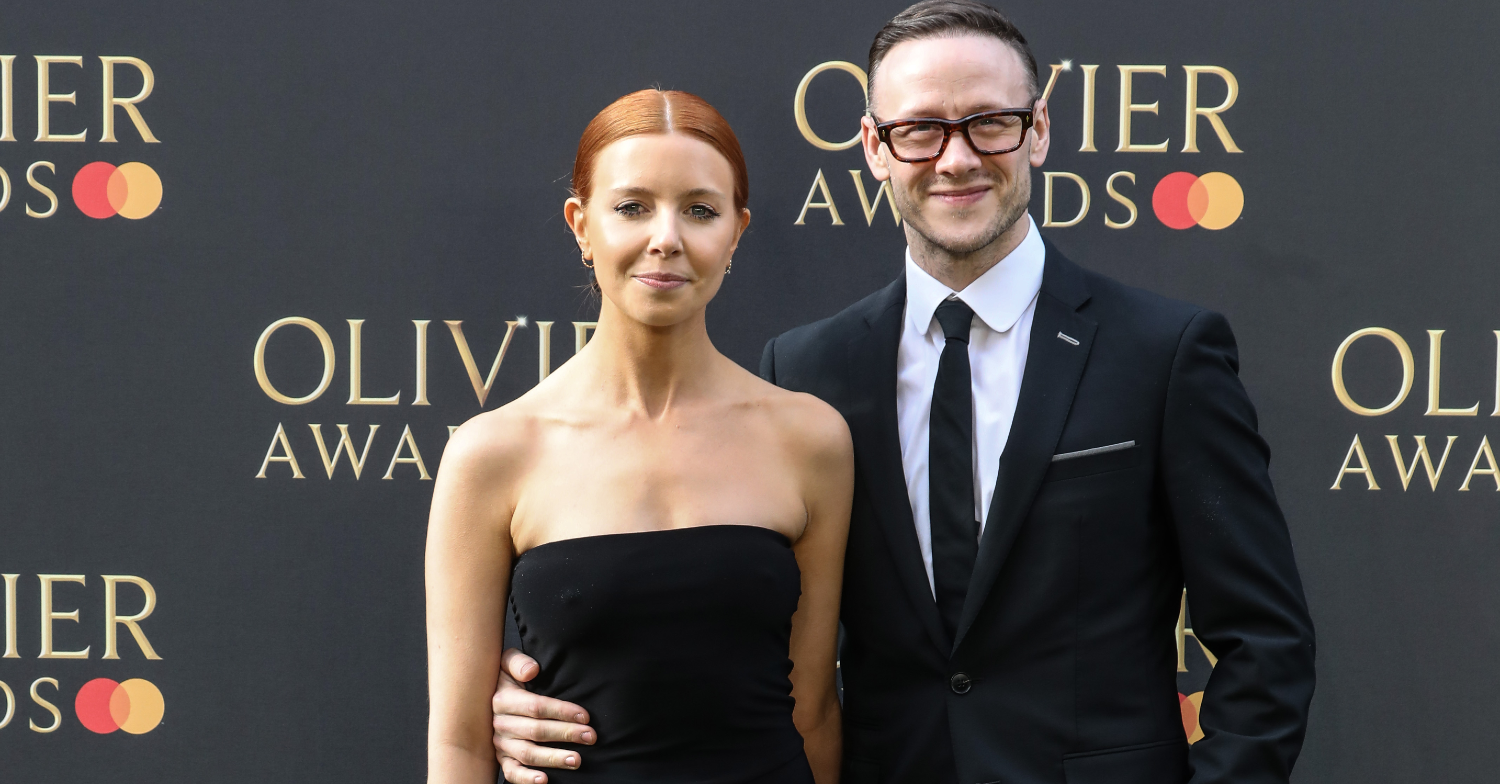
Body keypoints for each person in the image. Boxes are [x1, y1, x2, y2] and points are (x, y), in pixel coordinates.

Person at [489, 2, 1317, 783]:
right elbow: (730, 636)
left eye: (989, 121)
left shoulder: (1162, 353)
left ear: (1038, 131)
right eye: (920, 129)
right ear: (875, 147)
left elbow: (1264, 641)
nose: (956, 158)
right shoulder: (806, 371)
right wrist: (517, 697)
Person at [425, 88, 853, 784]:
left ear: (736, 232)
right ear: (580, 225)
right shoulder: (494, 452)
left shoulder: (810, 440)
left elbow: (813, 714)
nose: (666, 237)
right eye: (632, 207)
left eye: (700, 210)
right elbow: (460, 747)